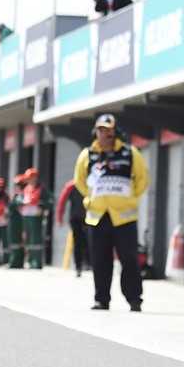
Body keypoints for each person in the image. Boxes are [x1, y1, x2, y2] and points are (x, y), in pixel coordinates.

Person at [74, 113, 149, 312]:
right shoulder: (87, 155)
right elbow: (80, 182)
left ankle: (134, 299)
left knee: (129, 259)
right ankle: (102, 299)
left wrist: (129, 198)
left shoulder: (130, 153)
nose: (104, 134)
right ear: (95, 132)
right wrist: (91, 198)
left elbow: (142, 180)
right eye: (100, 130)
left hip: (124, 217)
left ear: (116, 132)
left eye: (108, 130)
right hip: (97, 217)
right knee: (100, 259)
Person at [19, 168, 53, 269]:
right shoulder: (26, 188)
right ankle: (30, 260)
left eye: (30, 178)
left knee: (36, 239)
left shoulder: (42, 188)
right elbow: (20, 200)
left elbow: (50, 201)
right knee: (28, 239)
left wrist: (42, 208)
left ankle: (37, 262)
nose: (29, 180)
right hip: (26, 216)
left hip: (36, 217)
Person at [56, 178, 89, 277]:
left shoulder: (90, 183)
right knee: (78, 242)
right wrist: (59, 218)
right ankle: (78, 267)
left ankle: (89, 263)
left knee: (89, 241)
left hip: (90, 217)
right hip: (75, 218)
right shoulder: (71, 185)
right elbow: (62, 201)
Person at [6, 174, 26, 269]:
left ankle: (15, 262)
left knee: (15, 241)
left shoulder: (19, 195)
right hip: (16, 219)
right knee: (17, 242)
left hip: (16, 221)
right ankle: (18, 262)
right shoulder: (19, 194)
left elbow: (19, 204)